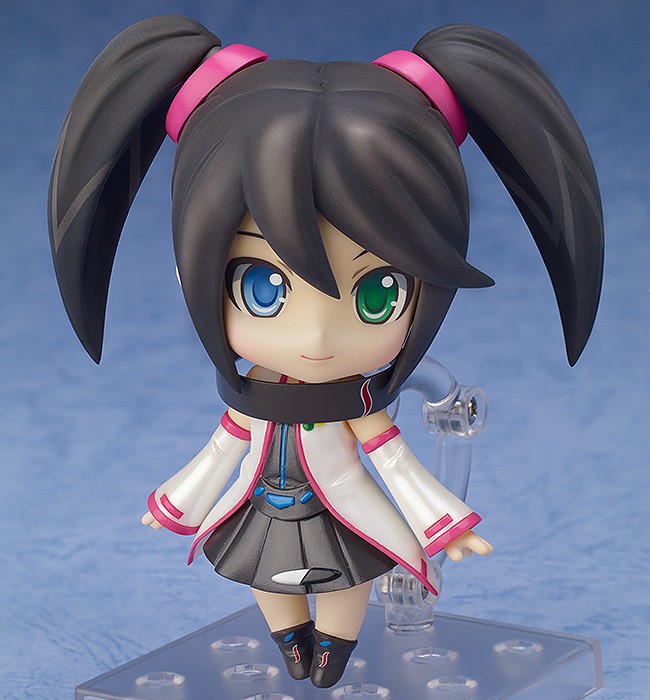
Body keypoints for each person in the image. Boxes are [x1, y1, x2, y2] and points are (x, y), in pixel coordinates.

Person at [48, 15, 603, 687]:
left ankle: (334, 650)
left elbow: (394, 462)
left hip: (341, 508)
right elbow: (222, 449)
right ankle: (290, 641)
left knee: (347, 575)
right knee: (261, 572)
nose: (316, 337)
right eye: (262, 287)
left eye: (377, 293)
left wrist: (444, 524)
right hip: (264, 502)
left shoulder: (358, 405)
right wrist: (177, 500)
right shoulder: (254, 396)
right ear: (190, 272)